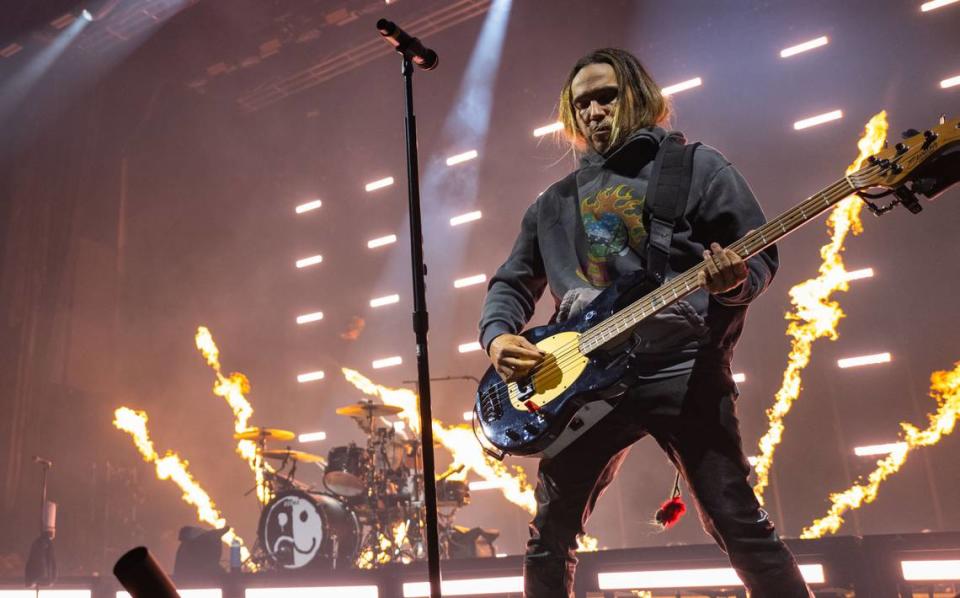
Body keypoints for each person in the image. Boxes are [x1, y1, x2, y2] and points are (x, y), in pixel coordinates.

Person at [478, 48, 813, 597]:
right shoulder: (552, 204)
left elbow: (759, 253)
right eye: (580, 103)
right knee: (549, 537)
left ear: (637, 95)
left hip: (681, 368)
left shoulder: (697, 167)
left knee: (736, 521)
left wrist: (735, 281)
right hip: (583, 379)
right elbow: (511, 283)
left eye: (605, 96)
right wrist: (499, 337)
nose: (593, 111)